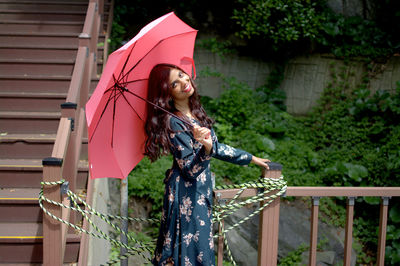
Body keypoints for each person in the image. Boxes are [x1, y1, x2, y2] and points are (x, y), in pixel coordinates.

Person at [144, 64, 270, 266]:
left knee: (199, 251)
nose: (184, 82)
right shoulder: (173, 122)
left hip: (200, 192)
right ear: (168, 93)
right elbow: (189, 169)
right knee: (188, 254)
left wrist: (250, 158)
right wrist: (205, 148)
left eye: (182, 75)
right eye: (175, 83)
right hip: (185, 194)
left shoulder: (195, 113)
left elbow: (217, 147)